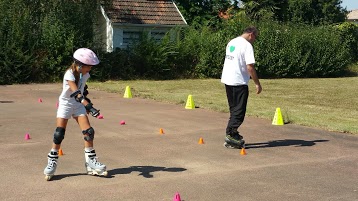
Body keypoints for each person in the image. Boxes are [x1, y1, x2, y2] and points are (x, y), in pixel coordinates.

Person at [44, 48, 107, 180]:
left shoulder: (85, 74)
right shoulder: (69, 74)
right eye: (88, 66)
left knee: (89, 132)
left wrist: (87, 102)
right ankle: (52, 162)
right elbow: (75, 92)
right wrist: (88, 106)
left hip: (78, 105)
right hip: (66, 104)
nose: (90, 69)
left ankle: (91, 163)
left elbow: (82, 91)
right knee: (59, 134)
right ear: (79, 64)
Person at [221, 26, 262, 149]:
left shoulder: (232, 42)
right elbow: (250, 67)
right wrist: (257, 83)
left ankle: (232, 135)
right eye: (255, 37)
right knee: (239, 111)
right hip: (238, 81)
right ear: (251, 34)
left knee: (234, 109)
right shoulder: (247, 46)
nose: (254, 40)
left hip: (228, 80)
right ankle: (230, 134)